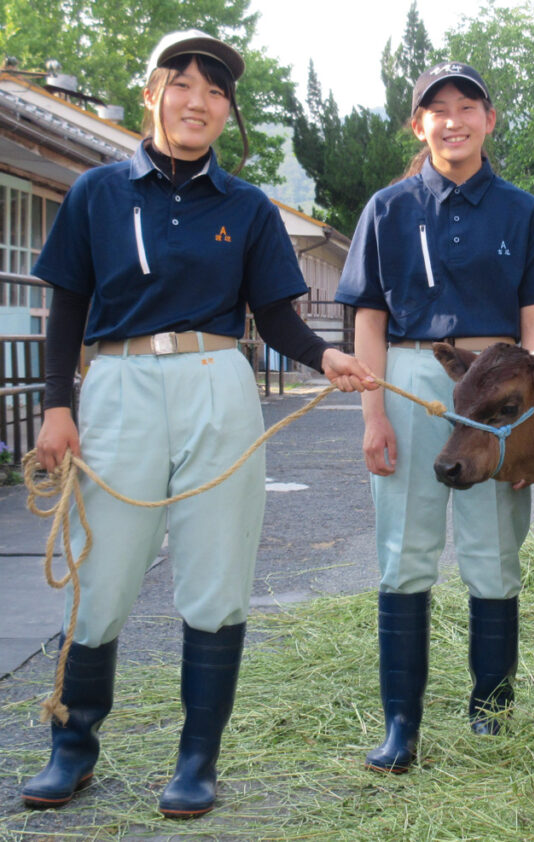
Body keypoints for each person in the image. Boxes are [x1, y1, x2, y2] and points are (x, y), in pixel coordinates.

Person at [21, 30, 376, 817]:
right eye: (182, 84)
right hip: (116, 382)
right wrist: (57, 408)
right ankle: (72, 746)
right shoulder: (98, 193)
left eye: (215, 92)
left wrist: (328, 359)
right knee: (102, 576)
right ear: (153, 94)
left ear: (227, 112)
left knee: (214, 578)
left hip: (219, 382)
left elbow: (277, 318)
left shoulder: (247, 207)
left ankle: (196, 762)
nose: (198, 101)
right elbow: (67, 306)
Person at [336, 61, 534, 773]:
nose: (453, 119)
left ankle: (490, 712)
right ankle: (400, 724)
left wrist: (528, 429)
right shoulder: (387, 208)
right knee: (405, 553)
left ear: (489, 119)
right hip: (413, 378)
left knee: (493, 551)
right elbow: (368, 322)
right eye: (436, 109)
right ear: (418, 124)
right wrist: (373, 415)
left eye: (468, 105)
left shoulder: (524, 212)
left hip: (499, 383)